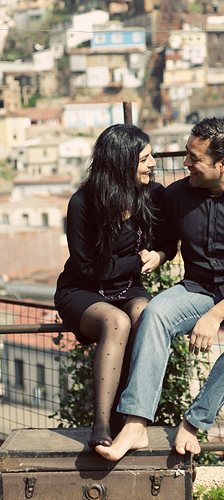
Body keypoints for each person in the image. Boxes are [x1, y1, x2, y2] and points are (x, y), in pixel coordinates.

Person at [95, 117, 224, 461]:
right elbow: (166, 240)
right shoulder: (175, 196)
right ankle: (136, 424)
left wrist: (216, 315)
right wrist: (157, 253)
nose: (186, 164)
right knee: (154, 314)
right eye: (187, 154)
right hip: (200, 286)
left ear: (223, 163)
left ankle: (195, 422)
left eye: (194, 158)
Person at [54, 124, 164, 448]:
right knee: (116, 321)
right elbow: (88, 268)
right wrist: (136, 260)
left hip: (128, 288)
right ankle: (101, 425)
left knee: (147, 314)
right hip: (83, 289)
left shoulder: (151, 194)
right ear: (121, 162)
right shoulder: (83, 203)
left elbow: (168, 240)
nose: (153, 163)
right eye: (145, 158)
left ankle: (131, 421)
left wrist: (158, 254)